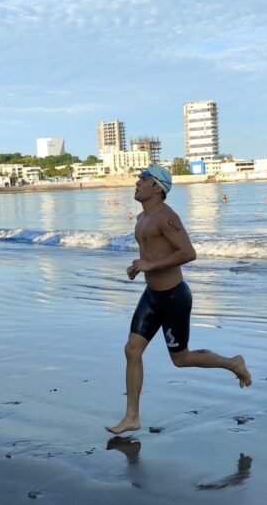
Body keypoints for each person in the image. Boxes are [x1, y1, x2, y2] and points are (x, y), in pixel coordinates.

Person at [106, 166, 251, 435]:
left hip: (173, 297)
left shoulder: (167, 216)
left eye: (143, 179)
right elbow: (153, 254)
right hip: (152, 295)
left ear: (157, 187)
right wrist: (139, 267)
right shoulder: (142, 217)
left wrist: (149, 265)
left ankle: (233, 363)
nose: (137, 182)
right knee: (132, 350)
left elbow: (188, 252)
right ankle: (131, 417)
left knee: (181, 359)